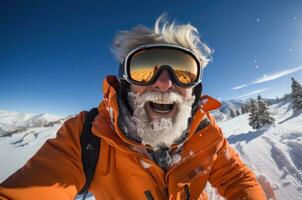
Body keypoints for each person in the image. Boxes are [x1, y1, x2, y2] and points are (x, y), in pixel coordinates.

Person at [0, 15, 266, 200]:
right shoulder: (86, 137)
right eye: (144, 69)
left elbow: (237, 180)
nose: (163, 83)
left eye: (183, 73)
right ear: (125, 82)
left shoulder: (205, 130)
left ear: (193, 89)